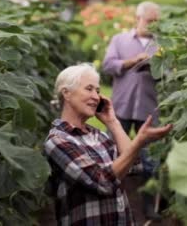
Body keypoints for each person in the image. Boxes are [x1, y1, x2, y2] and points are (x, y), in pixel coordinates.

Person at [44, 64, 172, 225]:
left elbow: (134, 165)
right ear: (66, 93)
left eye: (97, 91)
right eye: (89, 89)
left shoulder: (99, 135)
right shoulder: (58, 140)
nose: (96, 97)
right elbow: (102, 181)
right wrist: (139, 141)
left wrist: (113, 123)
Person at [101, 1, 161, 219]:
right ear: (138, 19)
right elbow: (107, 65)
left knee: (151, 161)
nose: (153, 25)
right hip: (122, 106)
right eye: (149, 21)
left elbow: (170, 73)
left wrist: (158, 67)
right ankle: (108, 199)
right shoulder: (120, 40)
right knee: (112, 154)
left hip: (148, 108)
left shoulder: (161, 44)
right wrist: (132, 61)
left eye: (156, 21)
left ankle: (148, 207)